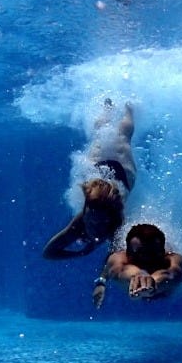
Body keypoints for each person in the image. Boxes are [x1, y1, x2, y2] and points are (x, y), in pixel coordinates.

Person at [43, 99, 136, 259]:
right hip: (122, 174)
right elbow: (48, 253)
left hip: (117, 172)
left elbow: (113, 259)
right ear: (85, 213)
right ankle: (112, 109)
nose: (95, 228)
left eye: (100, 223)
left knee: (115, 137)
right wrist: (80, 253)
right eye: (92, 222)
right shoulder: (80, 222)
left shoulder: (117, 225)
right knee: (111, 136)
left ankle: (128, 109)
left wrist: (101, 279)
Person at [92, 223, 182, 308]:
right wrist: (101, 282)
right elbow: (117, 269)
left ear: (163, 253)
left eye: (152, 254)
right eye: (140, 255)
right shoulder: (118, 258)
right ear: (127, 254)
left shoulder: (174, 259)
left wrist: (154, 282)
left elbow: (171, 274)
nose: (147, 261)